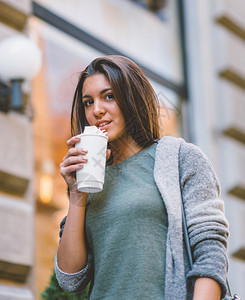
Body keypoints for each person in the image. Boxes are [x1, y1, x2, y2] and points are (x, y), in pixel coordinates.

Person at [55, 55, 230, 299]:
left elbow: (210, 252)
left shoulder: (179, 158)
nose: (96, 110)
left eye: (109, 96)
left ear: (132, 98)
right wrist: (76, 195)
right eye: (87, 102)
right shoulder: (89, 179)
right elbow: (70, 279)